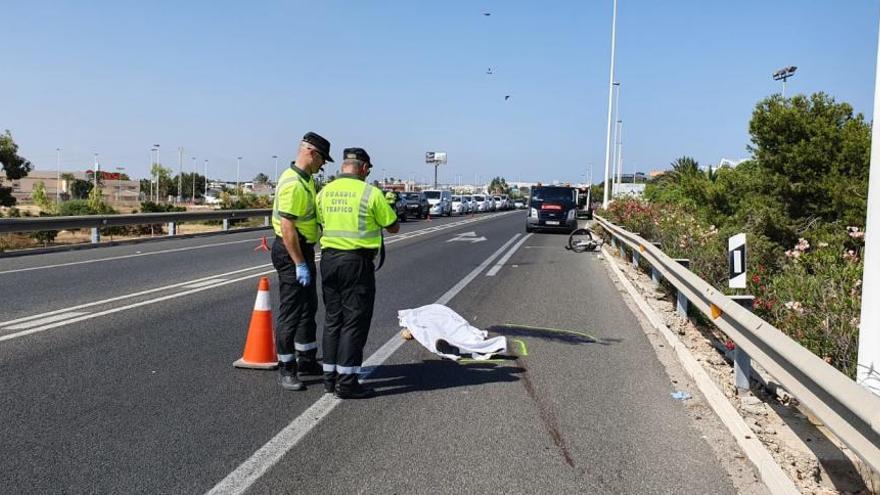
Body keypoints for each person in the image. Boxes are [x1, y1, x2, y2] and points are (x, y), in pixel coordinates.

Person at [316, 148, 399, 399]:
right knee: (354, 322)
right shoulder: (370, 193)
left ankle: (329, 378)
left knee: (333, 319)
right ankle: (347, 381)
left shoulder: (323, 192)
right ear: (363, 168)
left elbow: (322, 223)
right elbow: (393, 227)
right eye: (368, 170)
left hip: (329, 260)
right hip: (356, 263)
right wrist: (390, 206)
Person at [271, 131, 333, 391]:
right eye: (323, 160)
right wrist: (299, 263)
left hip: (303, 250)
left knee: (308, 307)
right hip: (291, 251)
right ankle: (287, 367)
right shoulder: (294, 183)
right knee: (291, 311)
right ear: (312, 153)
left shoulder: (305, 179)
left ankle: (306, 358)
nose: (323, 166)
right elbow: (287, 227)